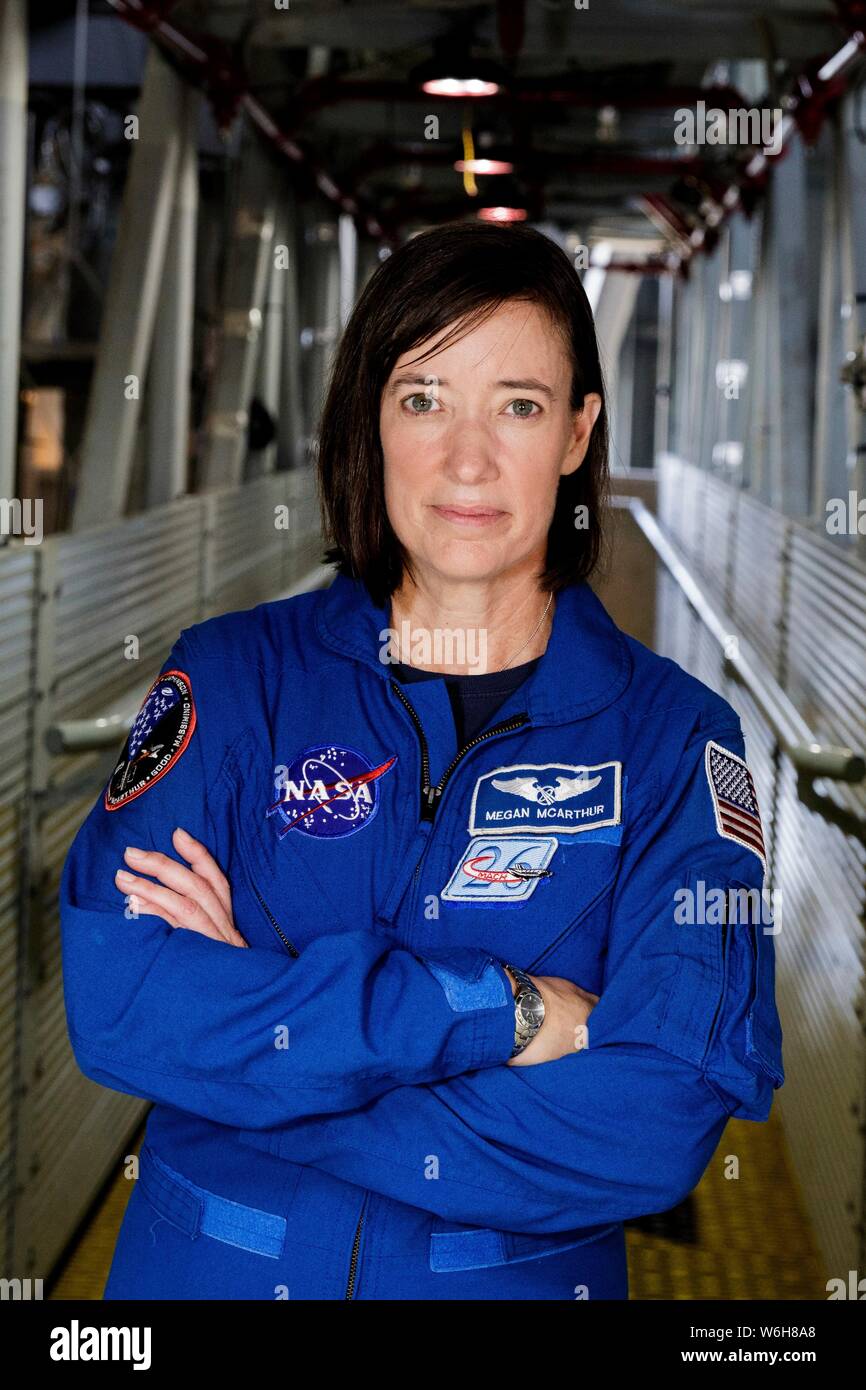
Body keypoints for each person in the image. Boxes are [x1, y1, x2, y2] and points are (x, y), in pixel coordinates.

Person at [59, 221, 784, 1301]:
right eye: (422, 397)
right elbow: (120, 1001)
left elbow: (654, 1121)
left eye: (519, 406)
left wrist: (261, 1036)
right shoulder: (232, 679)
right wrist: (506, 1011)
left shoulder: (676, 744)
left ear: (578, 432)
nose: (467, 460)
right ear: (372, 418)